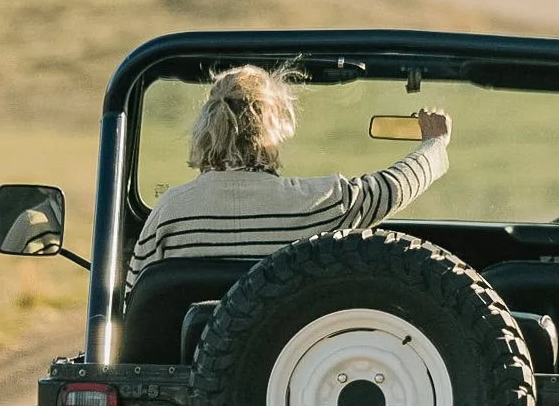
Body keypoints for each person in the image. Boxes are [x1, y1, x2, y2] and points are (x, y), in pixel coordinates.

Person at [127, 64, 451, 290]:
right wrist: (435, 145)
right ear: (275, 131)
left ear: (206, 129)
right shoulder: (322, 202)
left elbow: (135, 304)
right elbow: (392, 187)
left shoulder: (170, 213)